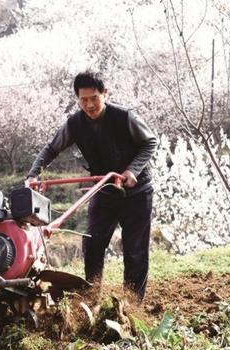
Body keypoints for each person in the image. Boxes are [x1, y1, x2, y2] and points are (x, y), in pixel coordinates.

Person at [26, 71, 157, 300]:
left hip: (136, 192)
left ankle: (132, 305)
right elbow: (51, 149)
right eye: (83, 100)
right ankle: (92, 297)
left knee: (135, 252)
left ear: (105, 94)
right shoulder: (75, 124)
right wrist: (33, 175)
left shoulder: (125, 117)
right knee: (93, 244)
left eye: (94, 98)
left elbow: (150, 142)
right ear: (77, 99)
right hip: (104, 190)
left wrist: (131, 171)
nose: (89, 105)